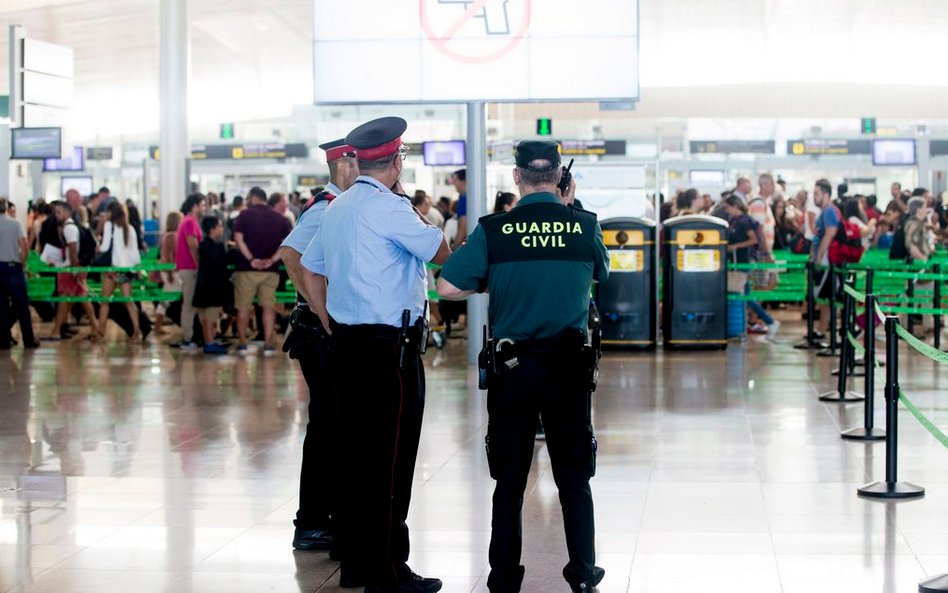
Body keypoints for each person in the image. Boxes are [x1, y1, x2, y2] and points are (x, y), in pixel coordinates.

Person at [437, 140, 609, 593]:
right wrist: (569, 210)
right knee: (573, 477)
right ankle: (583, 573)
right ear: (559, 177)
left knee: (509, 480)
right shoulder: (584, 226)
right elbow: (600, 274)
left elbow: (448, 287)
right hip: (569, 368)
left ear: (517, 178)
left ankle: (504, 577)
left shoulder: (494, 230)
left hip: (512, 369)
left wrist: (492, 278)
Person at [300, 117, 450, 593]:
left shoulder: (338, 207)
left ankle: (358, 565)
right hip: (390, 352)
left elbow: (310, 269)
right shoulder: (391, 209)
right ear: (397, 160)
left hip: (346, 347)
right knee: (390, 463)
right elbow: (441, 250)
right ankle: (388, 571)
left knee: (357, 459)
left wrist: (330, 321)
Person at [279, 138, 359, 552]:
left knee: (331, 426)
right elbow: (291, 254)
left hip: (321, 331)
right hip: (318, 334)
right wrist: (323, 312)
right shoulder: (327, 205)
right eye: (360, 163)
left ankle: (320, 517)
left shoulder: (338, 205)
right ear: (344, 166)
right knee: (328, 427)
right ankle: (311, 521)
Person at [232, 186, 292, 355]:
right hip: (270, 271)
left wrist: (252, 259)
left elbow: (238, 239)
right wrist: (271, 260)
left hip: (246, 270)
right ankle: (268, 344)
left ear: (253, 198)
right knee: (268, 307)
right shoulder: (280, 219)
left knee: (243, 307)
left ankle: (243, 343)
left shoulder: (243, 216)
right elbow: (286, 244)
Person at [47, 201, 102, 341]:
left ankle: (56, 331)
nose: (56, 215)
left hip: (70, 268)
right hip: (75, 266)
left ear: (66, 212)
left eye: (58, 212)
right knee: (83, 298)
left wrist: (74, 267)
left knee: (64, 299)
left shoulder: (68, 228)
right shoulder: (73, 226)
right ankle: (96, 328)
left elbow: (72, 248)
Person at [96, 202, 143, 341]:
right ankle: (136, 331)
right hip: (127, 269)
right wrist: (138, 269)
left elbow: (104, 248)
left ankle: (101, 332)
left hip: (112, 270)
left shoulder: (109, 226)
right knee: (129, 301)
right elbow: (135, 253)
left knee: (105, 301)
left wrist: (97, 248)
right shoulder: (131, 229)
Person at [0, 198, 38, 349]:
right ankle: (28, 340)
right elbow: (24, 244)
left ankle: (3, 341)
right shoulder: (15, 223)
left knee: (1, 307)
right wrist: (23, 262)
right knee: (22, 305)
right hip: (13, 267)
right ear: (6, 208)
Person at [193, 216, 231, 354]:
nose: (221, 229)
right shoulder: (216, 247)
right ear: (212, 229)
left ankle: (209, 340)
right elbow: (220, 269)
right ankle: (209, 343)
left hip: (203, 286)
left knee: (205, 317)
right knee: (210, 317)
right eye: (219, 226)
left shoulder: (203, 246)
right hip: (213, 288)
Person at [175, 194, 206, 349]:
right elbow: (192, 245)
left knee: (195, 305)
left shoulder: (187, 221)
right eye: (202, 205)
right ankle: (187, 338)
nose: (204, 208)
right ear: (194, 206)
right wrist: (198, 266)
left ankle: (201, 336)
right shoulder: (190, 222)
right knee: (189, 305)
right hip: (190, 268)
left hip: (188, 267)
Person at [810, 179, 840, 334]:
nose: (814, 197)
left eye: (816, 194)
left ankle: (821, 330)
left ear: (826, 194)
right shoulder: (826, 211)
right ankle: (821, 329)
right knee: (825, 297)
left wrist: (820, 256)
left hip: (827, 259)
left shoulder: (829, 211)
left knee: (825, 296)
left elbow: (830, 233)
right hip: (824, 257)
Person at [154, 211, 183, 335]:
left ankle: (158, 326)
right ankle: (158, 326)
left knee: (165, 299)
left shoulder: (166, 236)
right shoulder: (173, 236)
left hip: (167, 271)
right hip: (172, 271)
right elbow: (170, 256)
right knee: (169, 299)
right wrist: (171, 273)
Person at [450, 169, 468, 248]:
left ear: (463, 181)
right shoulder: (462, 197)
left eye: (455, 180)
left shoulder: (464, 199)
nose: (453, 183)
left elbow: (462, 229)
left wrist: (452, 252)